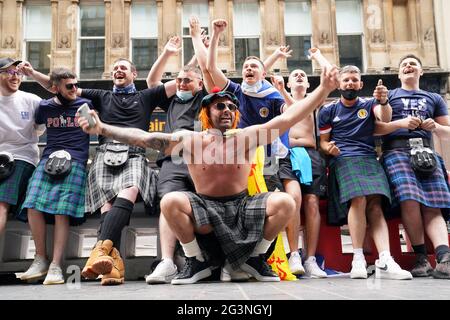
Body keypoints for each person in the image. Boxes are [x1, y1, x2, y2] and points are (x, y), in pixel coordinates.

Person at [79, 65, 339, 285]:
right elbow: (146, 138)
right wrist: (102, 128)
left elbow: (291, 116)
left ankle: (255, 258)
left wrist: (325, 89)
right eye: (219, 107)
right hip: (204, 208)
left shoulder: (247, 137)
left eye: (230, 106)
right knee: (170, 201)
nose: (226, 110)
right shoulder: (190, 140)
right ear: (206, 114)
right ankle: (195, 260)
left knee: (285, 201)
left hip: (242, 206)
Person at [20, 58, 174, 285]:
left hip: (135, 153)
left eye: (123, 67)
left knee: (129, 190)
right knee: (106, 202)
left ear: (134, 73)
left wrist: (172, 52)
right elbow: (60, 85)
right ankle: (112, 266)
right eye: (114, 69)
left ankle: (99, 252)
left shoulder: (145, 96)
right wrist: (33, 73)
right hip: (104, 152)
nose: (117, 70)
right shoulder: (101, 96)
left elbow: (181, 83)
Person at [204, 19, 307, 275]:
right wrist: (216, 35)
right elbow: (211, 67)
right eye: (246, 66)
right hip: (239, 161)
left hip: (269, 162)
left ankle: (264, 259)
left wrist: (283, 90)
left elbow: (293, 113)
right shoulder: (236, 92)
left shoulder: (272, 95)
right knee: (238, 211)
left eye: (254, 66)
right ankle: (236, 260)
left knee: (266, 209)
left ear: (263, 74)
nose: (249, 69)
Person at [319, 65, 412, 280]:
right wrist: (328, 149)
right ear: (339, 85)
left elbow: (385, 117)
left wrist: (383, 101)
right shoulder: (328, 110)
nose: (350, 83)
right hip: (343, 159)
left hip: (369, 158)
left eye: (354, 80)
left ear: (361, 84)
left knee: (376, 204)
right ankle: (358, 258)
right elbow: (322, 142)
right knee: (358, 199)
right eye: (346, 80)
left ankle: (386, 260)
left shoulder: (370, 104)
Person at [144, 31, 211, 284]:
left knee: (209, 205)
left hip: (202, 162)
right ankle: (168, 262)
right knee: (168, 204)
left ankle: (208, 259)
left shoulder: (206, 101)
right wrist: (169, 53)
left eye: (187, 82)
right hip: (172, 162)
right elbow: (152, 81)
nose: (182, 85)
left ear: (199, 85)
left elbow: (205, 70)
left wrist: (199, 49)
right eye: (179, 81)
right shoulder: (170, 102)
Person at [375, 54, 450, 279]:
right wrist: (386, 105)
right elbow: (378, 126)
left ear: (421, 72)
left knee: (433, 204)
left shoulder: (434, 97)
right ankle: (421, 258)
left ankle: (444, 257)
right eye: (404, 64)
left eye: (413, 64)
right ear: (399, 74)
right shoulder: (390, 96)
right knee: (410, 201)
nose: (408, 66)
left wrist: (435, 125)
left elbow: (447, 133)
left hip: (426, 152)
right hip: (396, 151)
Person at [17, 68, 93, 285]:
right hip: (49, 159)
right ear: (55, 88)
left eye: (76, 85)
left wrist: (90, 121)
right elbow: (36, 128)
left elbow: (95, 128)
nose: (75, 89)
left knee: (62, 211)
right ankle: (40, 258)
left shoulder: (84, 105)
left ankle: (56, 266)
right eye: (69, 86)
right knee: (32, 204)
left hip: (76, 161)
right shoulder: (44, 107)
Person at [271, 69, 328, 278]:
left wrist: (319, 57)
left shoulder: (313, 102)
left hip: (310, 156)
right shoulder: (279, 102)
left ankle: (310, 258)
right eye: (294, 74)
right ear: (288, 82)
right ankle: (294, 253)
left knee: (312, 202)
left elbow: (301, 110)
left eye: (303, 75)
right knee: (293, 197)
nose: (299, 76)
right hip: (287, 156)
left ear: (308, 84)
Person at [0, 58, 42, 236]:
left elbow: (40, 130)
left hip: (21, 158)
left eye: (17, 72)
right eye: (9, 72)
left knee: (1, 204)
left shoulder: (32, 100)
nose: (15, 76)